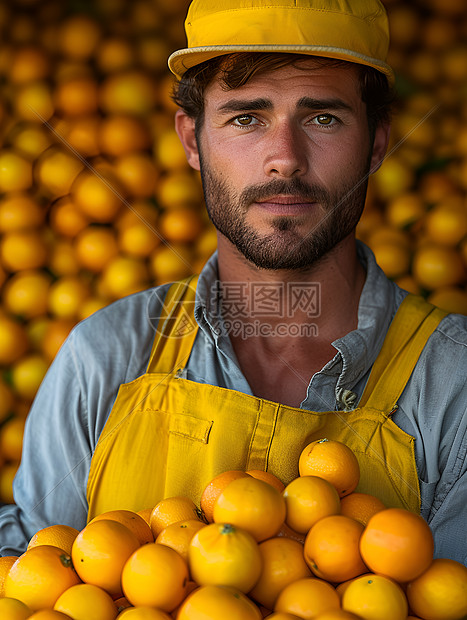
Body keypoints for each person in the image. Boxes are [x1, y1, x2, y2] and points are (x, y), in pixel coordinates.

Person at [0, 0, 466, 566]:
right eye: (246, 118)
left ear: (375, 144)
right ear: (193, 141)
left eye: (324, 118)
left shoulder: (454, 387)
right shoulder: (102, 359)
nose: (284, 160)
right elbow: (33, 579)